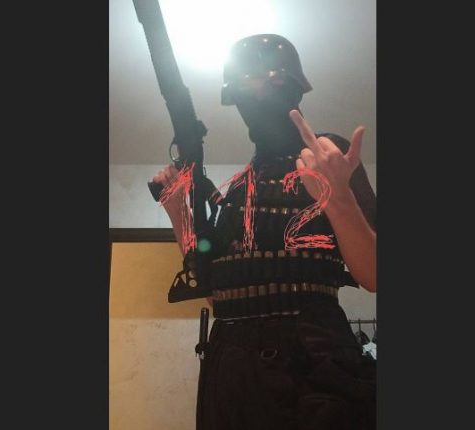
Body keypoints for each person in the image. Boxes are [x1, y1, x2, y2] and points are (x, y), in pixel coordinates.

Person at [151, 34, 377, 430]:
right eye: (244, 87)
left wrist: (338, 196)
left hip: (311, 362)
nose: (255, 95)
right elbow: (217, 292)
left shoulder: (327, 156)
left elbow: (374, 275)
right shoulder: (239, 189)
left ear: (291, 86)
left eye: (270, 82)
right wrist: (179, 215)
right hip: (231, 369)